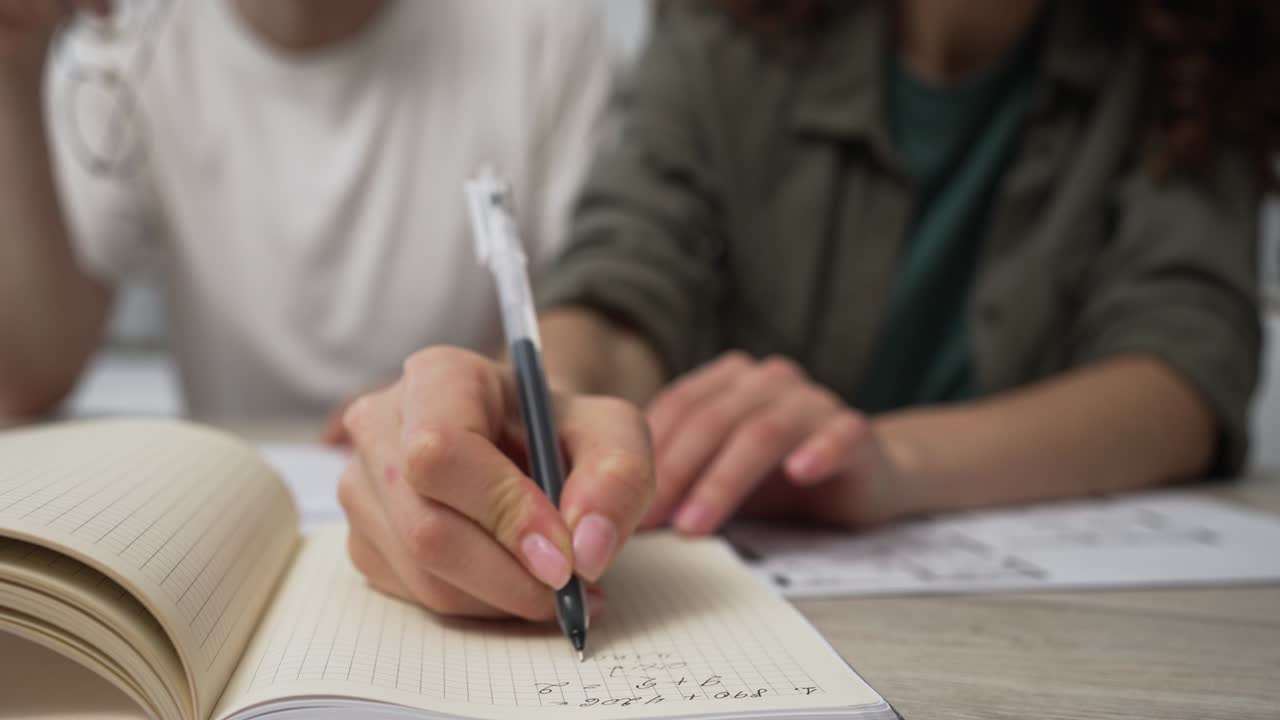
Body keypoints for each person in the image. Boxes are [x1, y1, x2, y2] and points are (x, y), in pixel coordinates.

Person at [336, 0, 1274, 623]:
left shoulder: (1196, 50)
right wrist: (561, 414)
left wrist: (892, 460)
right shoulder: (729, 19)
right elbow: (630, 267)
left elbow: (1183, 364)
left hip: (1061, 630)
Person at [0, 0, 610, 425]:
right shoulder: (123, 57)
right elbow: (29, 380)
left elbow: (597, 324)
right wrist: (14, 65)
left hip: (460, 475)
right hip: (226, 507)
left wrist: (479, 418)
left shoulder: (541, 28)